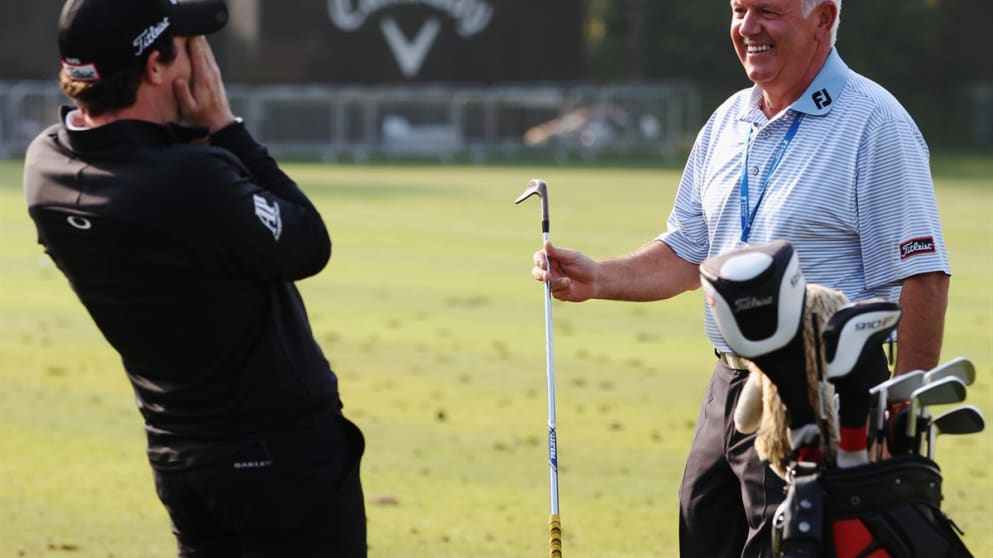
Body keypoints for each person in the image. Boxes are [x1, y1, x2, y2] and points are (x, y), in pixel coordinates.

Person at [529, 0, 950, 556]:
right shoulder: (729, 119)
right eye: (739, 9)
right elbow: (690, 249)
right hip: (728, 386)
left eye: (768, 11)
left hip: (823, 396)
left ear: (823, 19)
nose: (748, 27)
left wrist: (898, 418)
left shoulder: (876, 123)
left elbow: (922, 276)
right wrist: (600, 277)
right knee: (702, 530)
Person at [23, 0, 367, 556]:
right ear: (156, 68)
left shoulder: (45, 166)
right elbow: (308, 242)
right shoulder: (191, 179)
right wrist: (226, 129)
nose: (201, 64)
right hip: (282, 461)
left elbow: (137, 154)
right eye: (188, 49)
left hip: (179, 457)